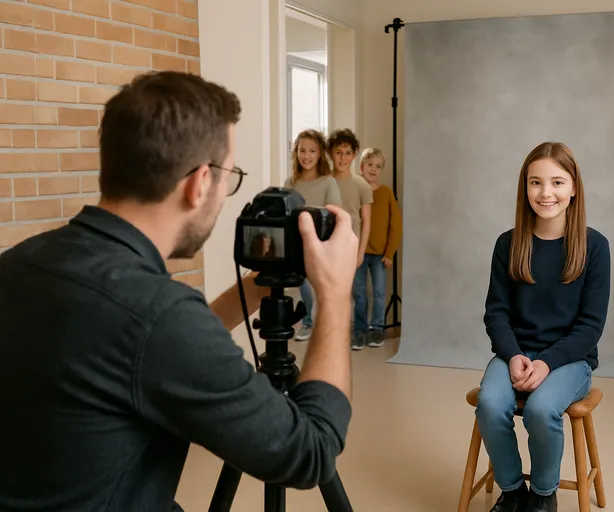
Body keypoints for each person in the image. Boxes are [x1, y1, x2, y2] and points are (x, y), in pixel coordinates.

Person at [0, 71, 359, 512]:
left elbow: (146, 348)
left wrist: (258, 285)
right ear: (199, 182)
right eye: (229, 176)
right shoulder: (159, 317)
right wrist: (335, 294)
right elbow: (311, 452)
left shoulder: (21, 262)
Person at [476, 142, 610, 512]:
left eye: (557, 182)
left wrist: (547, 362)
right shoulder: (508, 244)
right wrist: (513, 355)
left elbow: (590, 326)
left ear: (574, 188)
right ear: (525, 187)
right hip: (516, 354)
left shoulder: (594, 247)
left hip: (570, 360)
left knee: (540, 409)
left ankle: (542, 495)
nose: (545, 192)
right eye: (536, 182)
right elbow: (496, 314)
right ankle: (512, 490)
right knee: (490, 404)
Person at [283, 129, 342, 341]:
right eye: (302, 150)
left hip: (322, 243)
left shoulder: (328, 182)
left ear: (319, 154)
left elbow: (335, 214)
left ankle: (323, 324)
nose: (306, 156)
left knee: (322, 287)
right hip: (296, 243)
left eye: (312, 151)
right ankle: (308, 322)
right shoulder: (291, 183)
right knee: (303, 284)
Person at [327, 128, 374, 350]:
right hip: (330, 247)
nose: (342, 158)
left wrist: (361, 251)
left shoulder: (362, 185)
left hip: (353, 248)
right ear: (331, 153)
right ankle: (335, 333)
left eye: (347, 153)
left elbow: (366, 221)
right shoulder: (325, 182)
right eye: (338, 152)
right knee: (333, 293)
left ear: (354, 154)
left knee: (358, 292)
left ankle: (360, 331)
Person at [358, 148, 402, 347]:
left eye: (378, 166)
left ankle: (377, 329)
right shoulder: (356, 190)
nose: (373, 169)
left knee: (379, 292)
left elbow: (396, 225)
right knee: (359, 292)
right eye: (370, 165)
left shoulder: (386, 193)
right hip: (358, 253)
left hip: (380, 255)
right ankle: (359, 329)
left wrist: (389, 253)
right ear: (362, 167)